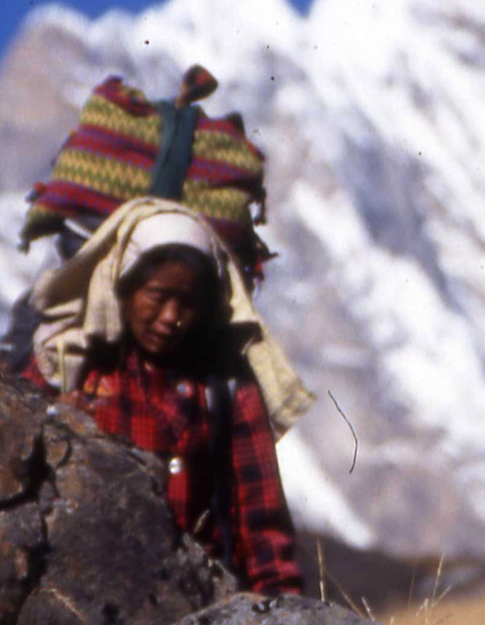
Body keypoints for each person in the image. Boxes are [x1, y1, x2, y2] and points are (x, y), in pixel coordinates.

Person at [21, 197, 311, 594]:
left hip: (193, 599)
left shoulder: (226, 389)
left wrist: (287, 621)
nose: (171, 317)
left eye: (188, 303)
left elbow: (261, 529)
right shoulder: (68, 368)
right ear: (123, 287)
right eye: (157, 296)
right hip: (81, 595)